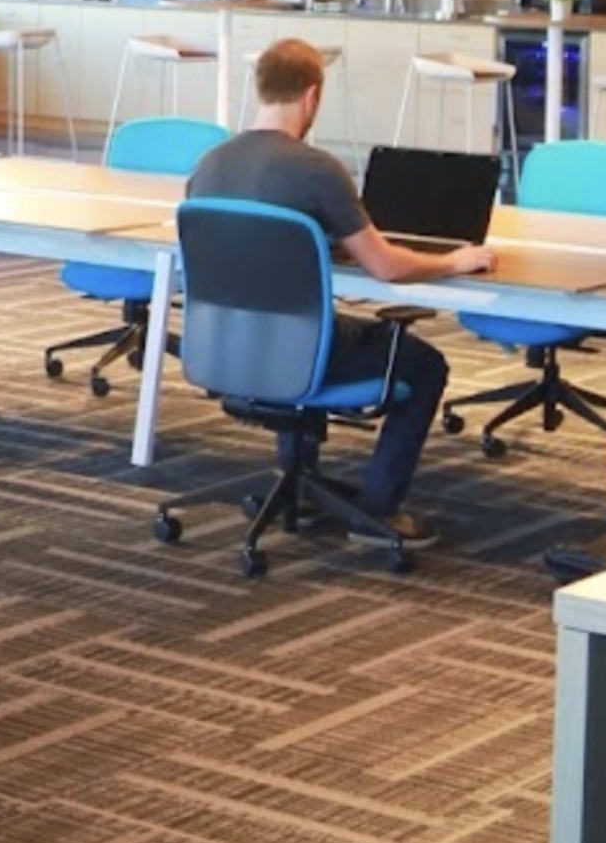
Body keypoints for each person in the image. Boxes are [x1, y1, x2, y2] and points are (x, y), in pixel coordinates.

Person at [181, 38, 486, 546]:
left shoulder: (208, 166)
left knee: (293, 317)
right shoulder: (316, 170)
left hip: (225, 346)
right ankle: (379, 511)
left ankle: (298, 482)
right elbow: (385, 266)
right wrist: (455, 261)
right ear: (312, 96)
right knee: (424, 364)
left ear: (260, 89)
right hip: (301, 353)